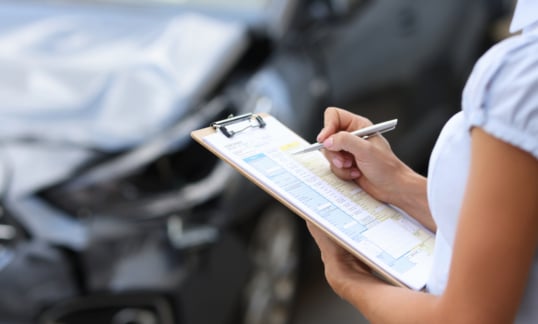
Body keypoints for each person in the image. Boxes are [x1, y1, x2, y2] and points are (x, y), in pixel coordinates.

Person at [307, 0, 538, 323]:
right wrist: (397, 182)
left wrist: (347, 277)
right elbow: (514, 234)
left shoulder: (521, 76)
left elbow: (467, 318)